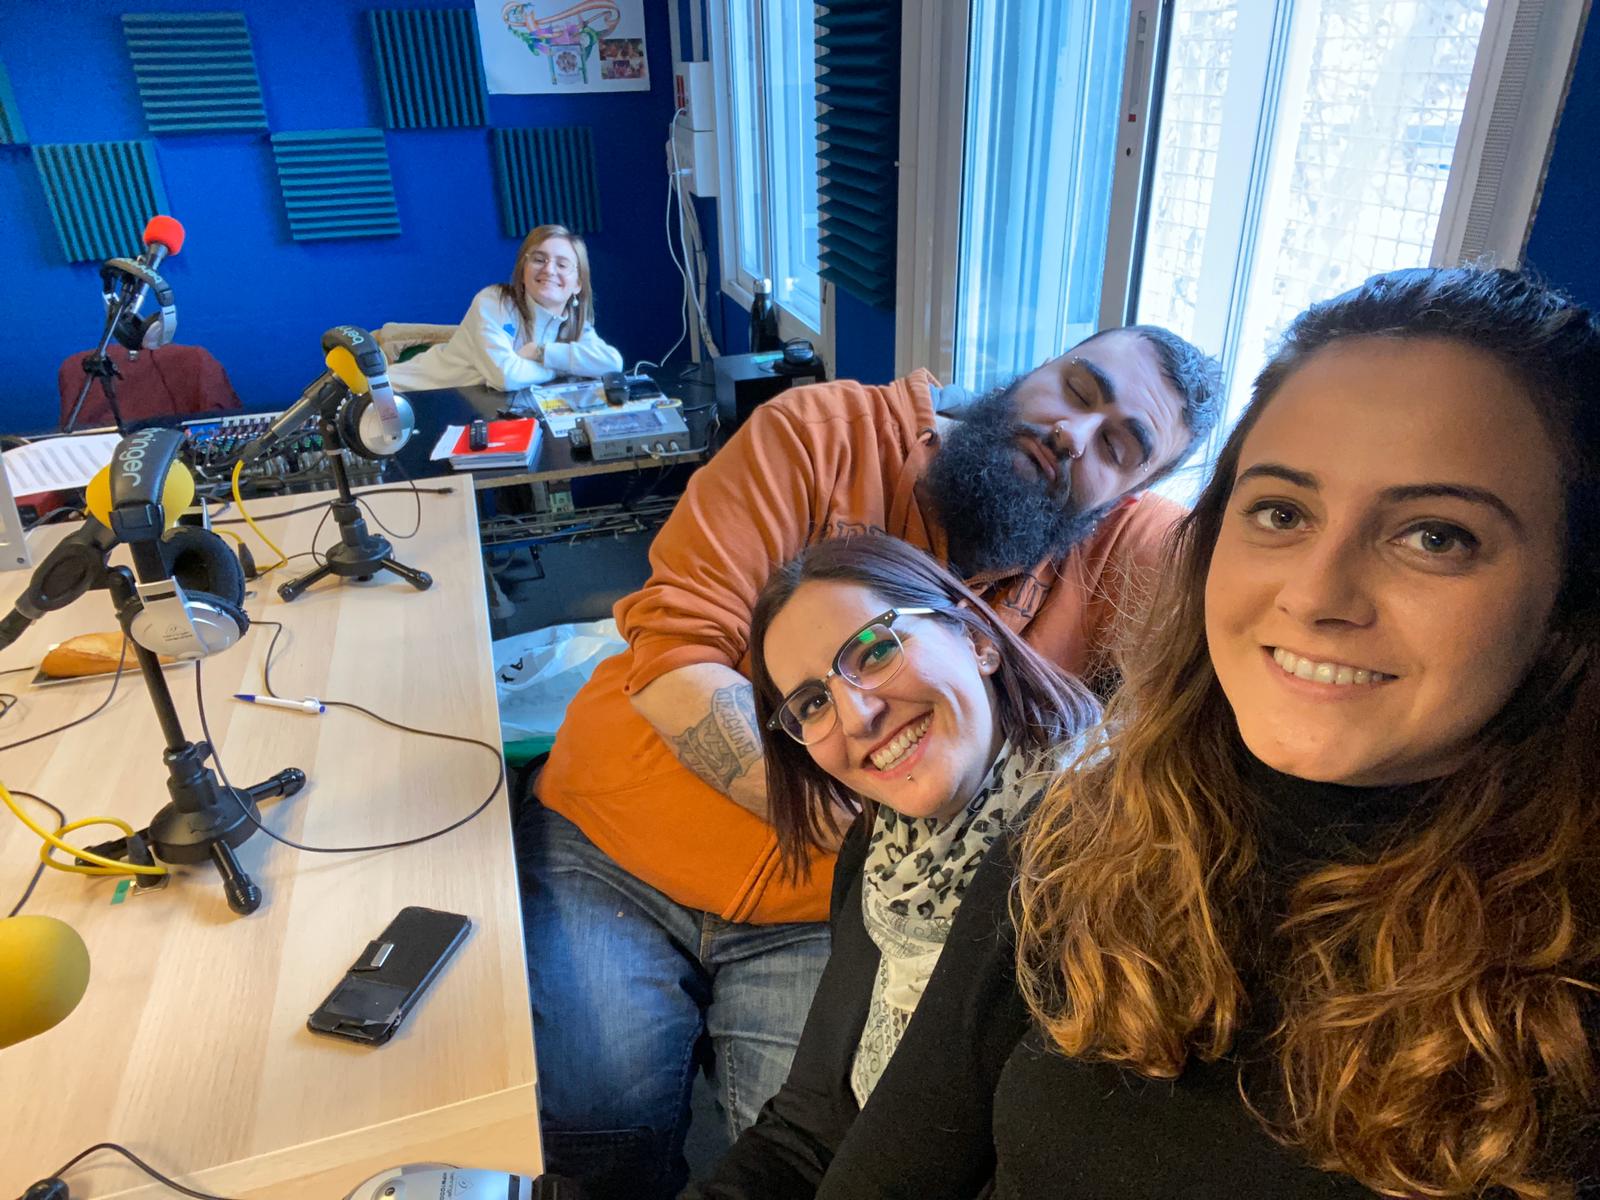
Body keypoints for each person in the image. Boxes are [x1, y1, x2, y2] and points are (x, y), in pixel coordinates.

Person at [811, 267, 1600, 1199]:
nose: (1314, 595)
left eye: (1436, 535)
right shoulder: (1078, 844)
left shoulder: (1573, 1001)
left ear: (1569, 600)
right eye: (1281, 512)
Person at [521, 324, 1223, 1200]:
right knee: (597, 1124)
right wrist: (869, 803)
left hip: (828, 915)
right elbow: (676, 653)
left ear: (1134, 492)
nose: (1072, 434)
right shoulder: (819, 432)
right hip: (619, 843)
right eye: (1079, 389)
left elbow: (1242, 592)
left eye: (1120, 446)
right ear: (1038, 368)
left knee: (828, 1145)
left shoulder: (1126, 552)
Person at [683, 534, 1097, 1199]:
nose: (857, 716)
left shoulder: (1104, 863)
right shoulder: (880, 855)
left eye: (875, 651)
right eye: (813, 703)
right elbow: (809, 1130)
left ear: (977, 640)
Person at [387, 224, 622, 393]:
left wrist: (541, 352)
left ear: (578, 284)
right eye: (539, 259)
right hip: (407, 397)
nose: (549, 270)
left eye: (562, 264)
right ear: (523, 270)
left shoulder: (573, 323)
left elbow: (611, 364)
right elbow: (506, 376)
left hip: (473, 409)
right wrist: (562, 368)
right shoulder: (493, 302)